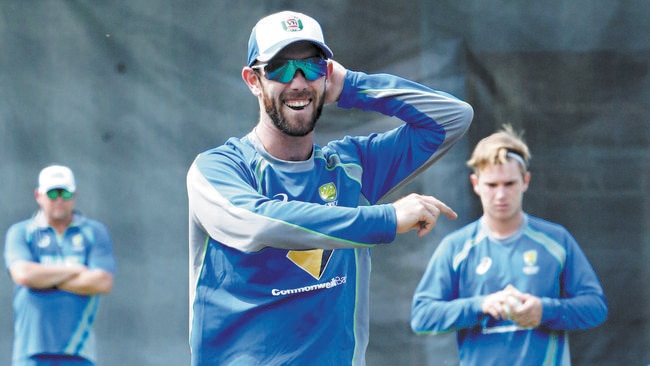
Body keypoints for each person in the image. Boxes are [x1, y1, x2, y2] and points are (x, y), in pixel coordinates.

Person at [186, 10, 473, 365]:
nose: (298, 82)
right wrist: (384, 219)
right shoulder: (218, 168)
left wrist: (353, 86)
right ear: (253, 80)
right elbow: (258, 221)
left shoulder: (351, 166)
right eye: (280, 68)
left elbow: (452, 117)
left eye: (312, 66)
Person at [410, 125, 608, 365]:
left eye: (509, 184)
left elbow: (595, 307)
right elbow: (422, 317)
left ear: (525, 181)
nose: (501, 195)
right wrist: (481, 304)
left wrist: (544, 311)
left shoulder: (556, 240)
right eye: (492, 185)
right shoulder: (456, 248)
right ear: (476, 184)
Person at [4, 165, 116, 366]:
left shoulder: (93, 232)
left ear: (74, 195)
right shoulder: (21, 232)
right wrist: (75, 270)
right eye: (52, 193)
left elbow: (102, 281)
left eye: (65, 193)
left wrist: (44, 278)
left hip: (78, 351)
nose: (59, 200)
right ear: (39, 195)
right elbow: (24, 275)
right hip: (30, 351)